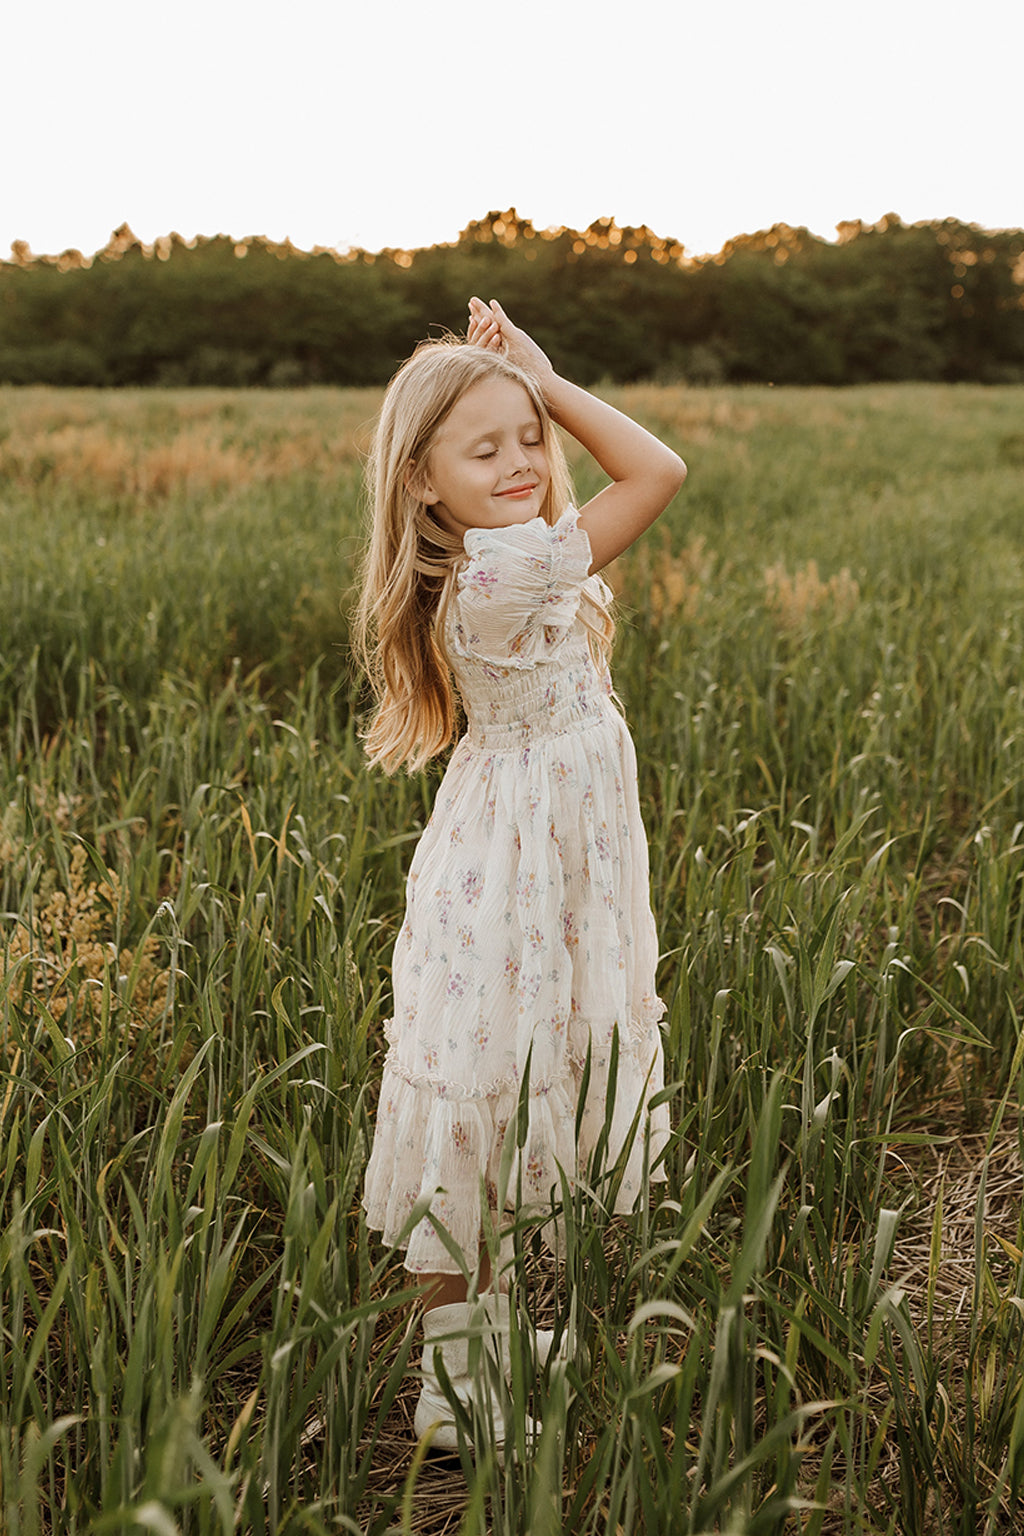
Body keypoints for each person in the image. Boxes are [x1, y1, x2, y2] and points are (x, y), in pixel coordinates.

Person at [355, 297, 686, 1452]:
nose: (520, 461)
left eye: (527, 438)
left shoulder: (507, 558)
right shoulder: (502, 576)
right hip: (516, 867)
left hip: (541, 856)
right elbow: (658, 469)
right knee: (483, 1097)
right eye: (483, 447)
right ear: (421, 482)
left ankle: (486, 1337)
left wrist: (532, 397)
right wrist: (546, 384)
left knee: (508, 1082)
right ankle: (453, 1386)